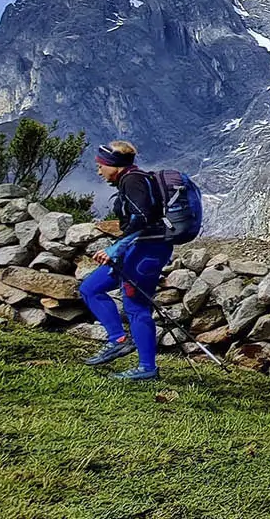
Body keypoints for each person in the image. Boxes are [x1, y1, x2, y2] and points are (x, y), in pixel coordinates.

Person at [79, 141, 174, 381]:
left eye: (101, 166)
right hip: (139, 249)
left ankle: (147, 368)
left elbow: (142, 218)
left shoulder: (133, 181)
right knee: (91, 288)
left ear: (114, 165)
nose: (99, 171)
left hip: (147, 251)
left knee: (136, 306)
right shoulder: (133, 179)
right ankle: (118, 340)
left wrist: (115, 247)